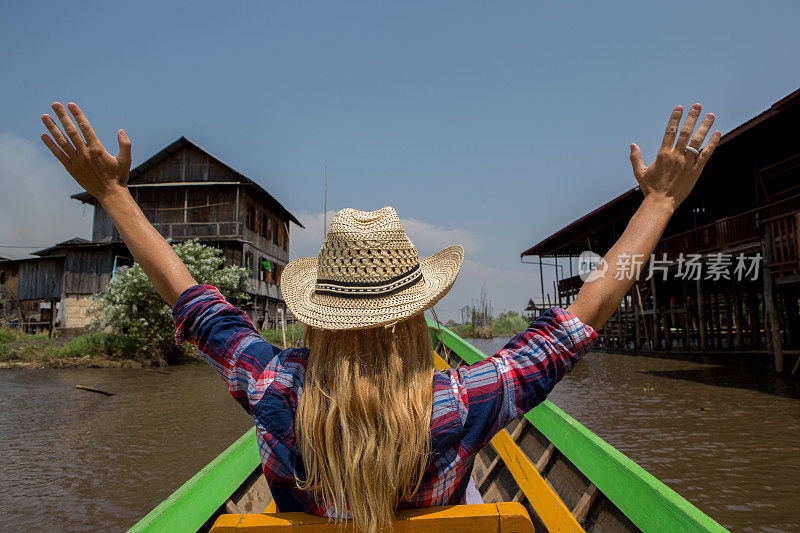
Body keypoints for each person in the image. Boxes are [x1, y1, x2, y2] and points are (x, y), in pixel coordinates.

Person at [40, 101, 720, 533]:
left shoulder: (273, 389)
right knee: (475, 488)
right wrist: (658, 204)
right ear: (417, 317)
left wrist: (112, 193)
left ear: (318, 318)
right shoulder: (460, 401)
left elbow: (191, 300)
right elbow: (576, 324)